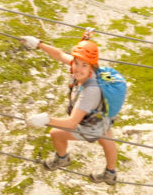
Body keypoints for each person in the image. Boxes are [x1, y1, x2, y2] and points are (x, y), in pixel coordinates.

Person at [21, 34, 117, 185]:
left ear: (91, 66)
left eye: (83, 65)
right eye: (76, 63)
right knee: (107, 141)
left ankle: (62, 159)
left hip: (91, 124)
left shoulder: (90, 91)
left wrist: (47, 120)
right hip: (101, 116)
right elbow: (59, 54)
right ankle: (110, 174)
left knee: (56, 134)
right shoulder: (91, 69)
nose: (77, 69)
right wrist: (39, 44)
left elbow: (72, 123)